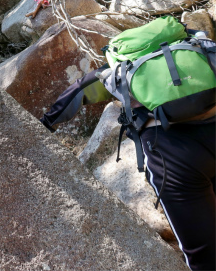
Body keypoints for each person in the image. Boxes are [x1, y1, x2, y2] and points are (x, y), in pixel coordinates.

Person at [40, 59, 215, 271]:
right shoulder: (192, 48)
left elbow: (79, 89)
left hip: (174, 154)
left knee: (204, 254)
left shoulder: (120, 69)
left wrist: (45, 123)